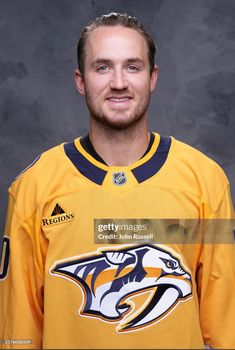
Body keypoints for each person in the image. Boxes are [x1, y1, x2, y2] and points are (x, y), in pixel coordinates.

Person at [0, 12, 234, 350]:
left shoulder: (205, 181)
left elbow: (227, 328)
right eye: (103, 67)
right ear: (81, 81)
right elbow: (17, 335)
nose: (119, 82)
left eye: (133, 67)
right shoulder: (35, 187)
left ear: (152, 77)